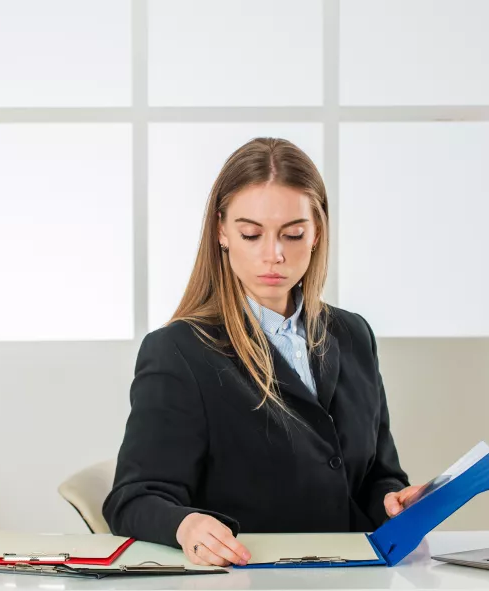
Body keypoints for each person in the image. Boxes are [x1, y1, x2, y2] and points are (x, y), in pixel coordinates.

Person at [102, 137, 420, 568]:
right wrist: (187, 525)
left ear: (317, 233)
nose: (274, 255)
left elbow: (378, 476)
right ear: (222, 231)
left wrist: (395, 501)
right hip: (251, 577)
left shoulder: (352, 334)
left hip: (355, 575)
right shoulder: (178, 352)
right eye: (251, 234)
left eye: (293, 234)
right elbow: (133, 499)